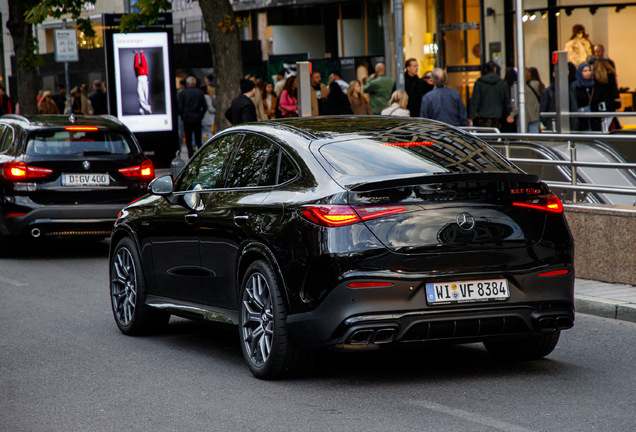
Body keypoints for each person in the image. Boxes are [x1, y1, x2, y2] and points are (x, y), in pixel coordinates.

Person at [468, 61, 513, 128]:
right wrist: (508, 114)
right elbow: (506, 100)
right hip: (497, 116)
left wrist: (471, 117)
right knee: (495, 135)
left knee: (485, 136)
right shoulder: (502, 83)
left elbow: (475, 100)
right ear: (495, 69)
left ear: (486, 69)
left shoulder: (479, 83)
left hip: (483, 115)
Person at [178, 76, 207, 158]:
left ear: (187, 83)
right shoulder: (200, 92)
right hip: (197, 118)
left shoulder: (183, 93)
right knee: (198, 139)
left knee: (188, 140)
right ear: (195, 83)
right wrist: (201, 115)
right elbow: (205, 106)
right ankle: (201, 156)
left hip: (187, 119)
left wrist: (183, 116)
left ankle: (190, 156)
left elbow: (180, 107)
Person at [590, 58, 620, 131]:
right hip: (610, 105)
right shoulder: (611, 76)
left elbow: (596, 96)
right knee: (607, 126)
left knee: (601, 128)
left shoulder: (597, 81)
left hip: (600, 106)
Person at [570, 62, 594, 131]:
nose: (588, 73)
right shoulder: (575, 86)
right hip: (579, 118)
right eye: (585, 71)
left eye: (589, 70)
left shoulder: (593, 85)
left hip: (591, 118)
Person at [133, 49, 152, 115]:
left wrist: (141, 54)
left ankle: (143, 109)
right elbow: (136, 63)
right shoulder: (137, 68)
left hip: (144, 78)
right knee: (141, 94)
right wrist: (137, 55)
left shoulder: (144, 67)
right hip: (140, 78)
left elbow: (144, 62)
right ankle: (145, 108)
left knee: (145, 94)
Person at [525, 68, 542, 133]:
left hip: (524, 115)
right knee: (534, 135)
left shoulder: (520, 87)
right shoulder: (537, 84)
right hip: (535, 114)